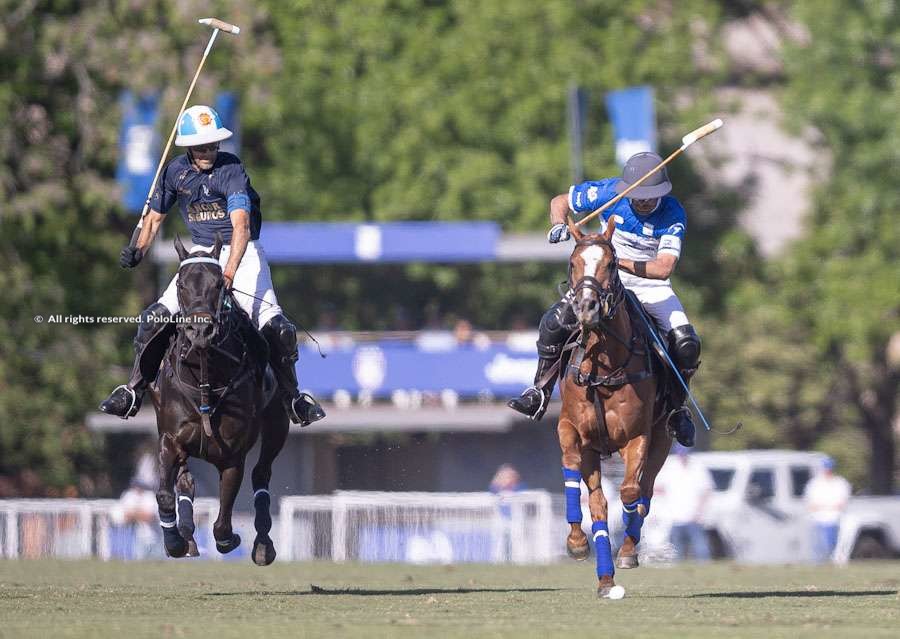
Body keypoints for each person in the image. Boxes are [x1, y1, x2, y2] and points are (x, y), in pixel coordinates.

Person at [99, 105, 325, 426]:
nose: (208, 151)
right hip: (201, 255)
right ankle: (133, 391)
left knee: (280, 329)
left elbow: (241, 227)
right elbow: (153, 218)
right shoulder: (175, 172)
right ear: (189, 147)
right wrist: (138, 249)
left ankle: (293, 399)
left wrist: (229, 273)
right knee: (154, 319)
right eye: (202, 146)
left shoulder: (230, 169)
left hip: (241, 252)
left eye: (213, 144)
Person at [507, 152, 701, 447]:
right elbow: (559, 202)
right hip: (602, 281)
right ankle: (539, 392)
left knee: (686, 343)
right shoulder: (610, 193)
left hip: (648, 284)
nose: (644, 202)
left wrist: (610, 258)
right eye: (638, 195)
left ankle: (676, 409)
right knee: (553, 323)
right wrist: (559, 224)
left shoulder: (673, 214)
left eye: (650, 196)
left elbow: (663, 269)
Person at [653, 444, 713, 561]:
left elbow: (706, 491)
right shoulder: (670, 467)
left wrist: (700, 511)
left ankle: (706, 569)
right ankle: (677, 572)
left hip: (694, 516)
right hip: (674, 516)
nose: (682, 456)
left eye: (684, 453)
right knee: (676, 549)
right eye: (680, 453)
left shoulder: (697, 467)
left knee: (700, 548)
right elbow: (658, 488)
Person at [804, 457, 851, 562]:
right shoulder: (814, 483)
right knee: (818, 546)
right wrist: (828, 506)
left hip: (834, 519)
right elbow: (811, 504)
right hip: (817, 519)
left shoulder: (840, 483)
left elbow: (841, 503)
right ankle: (819, 564)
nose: (827, 471)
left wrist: (824, 506)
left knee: (832, 544)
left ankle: (831, 562)